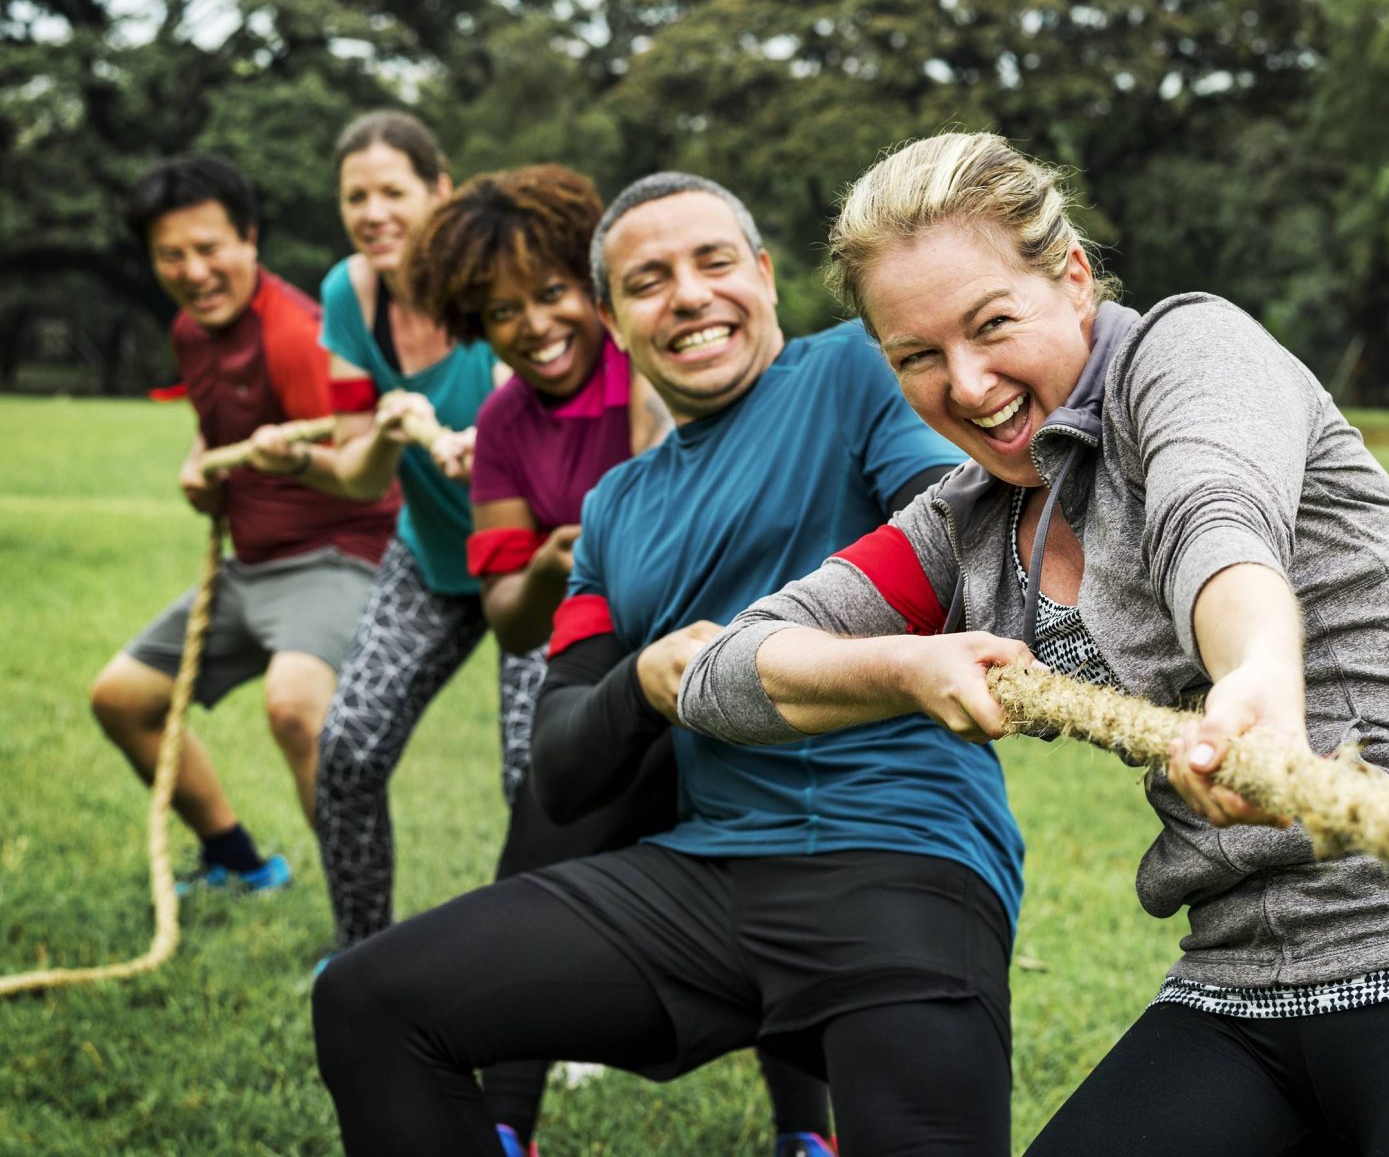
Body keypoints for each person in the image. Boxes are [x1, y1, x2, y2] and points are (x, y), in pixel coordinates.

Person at [678, 133, 1389, 1157]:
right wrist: (903, 666)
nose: (967, 386)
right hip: (1243, 986)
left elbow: (1215, 521)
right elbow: (727, 674)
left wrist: (1258, 684)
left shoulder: (1188, 352)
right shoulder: (961, 525)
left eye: (991, 326)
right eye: (918, 358)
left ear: (1070, 280)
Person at [313, 171, 1021, 1157]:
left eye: (714, 262)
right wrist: (644, 680)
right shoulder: (613, 512)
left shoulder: (853, 375)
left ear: (766, 277)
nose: (688, 295)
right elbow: (561, 768)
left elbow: (960, 542)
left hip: (899, 863)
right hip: (708, 881)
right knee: (368, 1000)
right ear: (612, 318)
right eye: (648, 281)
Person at [400, 162, 825, 1157]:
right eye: (500, 311)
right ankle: (506, 1126)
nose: (535, 325)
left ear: (592, 298)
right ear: (475, 323)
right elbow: (508, 618)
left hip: (736, 662)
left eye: (550, 295)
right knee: (532, 866)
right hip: (608, 679)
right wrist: (556, 562)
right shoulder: (506, 426)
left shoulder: (665, 357)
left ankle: (810, 1135)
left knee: (784, 879)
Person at [246, 110, 531, 961]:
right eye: (354, 196)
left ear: (439, 191)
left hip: (540, 560)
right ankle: (361, 956)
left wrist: (499, 445)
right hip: (434, 557)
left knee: (538, 777)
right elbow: (358, 476)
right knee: (348, 748)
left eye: (392, 192)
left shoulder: (495, 277)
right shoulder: (349, 294)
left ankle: (562, 996)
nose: (373, 212)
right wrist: (388, 429)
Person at [89, 154, 397, 894]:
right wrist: (203, 464)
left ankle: (364, 929)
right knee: (122, 699)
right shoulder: (193, 334)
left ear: (250, 239)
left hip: (337, 555)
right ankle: (239, 863)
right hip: (249, 566)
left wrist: (287, 463)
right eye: (172, 255)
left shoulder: (298, 334)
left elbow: (367, 470)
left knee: (295, 704)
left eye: (210, 248)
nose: (194, 271)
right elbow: (220, 423)